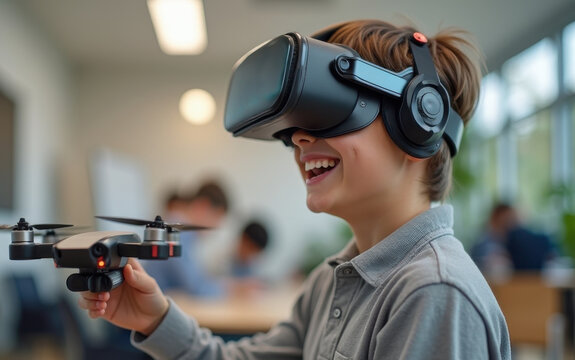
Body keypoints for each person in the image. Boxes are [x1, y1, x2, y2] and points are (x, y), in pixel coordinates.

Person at [78, 20, 511, 359]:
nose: (300, 139)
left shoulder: (432, 293)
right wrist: (156, 321)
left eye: (332, 110)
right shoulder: (329, 281)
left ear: (419, 124)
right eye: (294, 126)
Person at [141, 180, 230, 297]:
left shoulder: (183, 232)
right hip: (149, 307)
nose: (217, 226)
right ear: (203, 206)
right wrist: (231, 288)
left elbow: (197, 279)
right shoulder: (175, 231)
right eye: (217, 217)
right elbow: (195, 288)